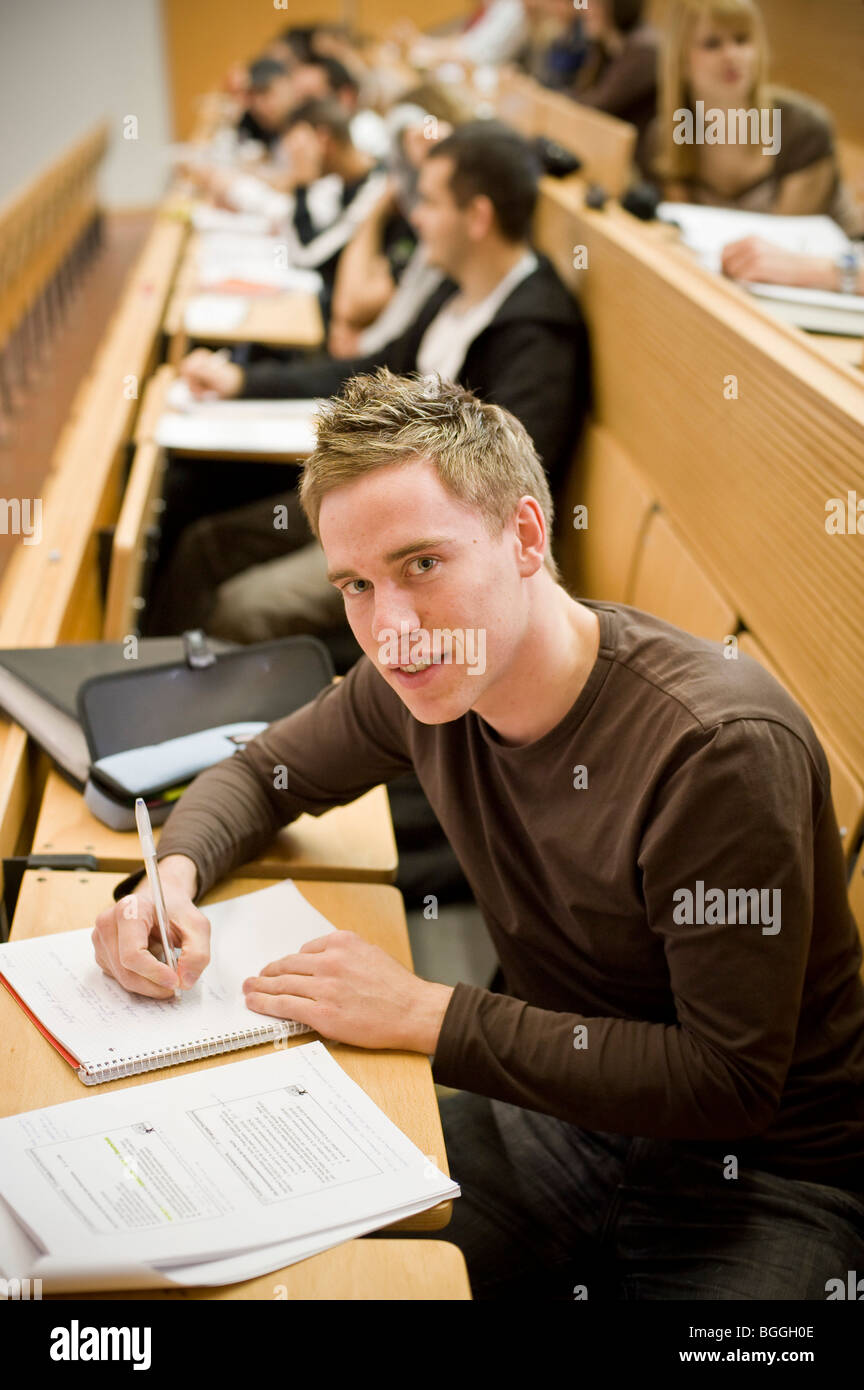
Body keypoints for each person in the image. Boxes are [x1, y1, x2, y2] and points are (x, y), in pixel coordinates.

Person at [93, 369, 864, 1300]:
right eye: (356, 585)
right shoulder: (420, 678)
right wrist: (169, 878)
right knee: (259, 1271)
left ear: (527, 537)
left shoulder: (717, 750)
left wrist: (426, 1014)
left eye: (423, 565)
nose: (391, 630)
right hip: (554, 1120)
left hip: (764, 1182)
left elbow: (727, 1081)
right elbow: (263, 773)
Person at [148, 122, 589, 641]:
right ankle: (153, 688)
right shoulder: (457, 287)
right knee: (205, 544)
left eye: (428, 201)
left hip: (423, 542)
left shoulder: (538, 330)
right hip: (379, 499)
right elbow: (373, 367)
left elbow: (504, 481)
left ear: (478, 216)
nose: (415, 216)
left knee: (247, 610)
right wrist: (243, 380)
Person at [643, 0, 862, 236]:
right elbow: (682, 231)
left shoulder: (804, 128)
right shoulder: (666, 137)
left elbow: (783, 244)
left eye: (742, 39)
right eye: (712, 44)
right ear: (681, 59)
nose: (732, 55)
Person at [570, 0, 659, 164]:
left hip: (636, 170)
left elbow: (594, 108)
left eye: (593, 3)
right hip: (607, 156)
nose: (584, 10)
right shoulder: (606, 47)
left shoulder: (645, 51)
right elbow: (580, 95)